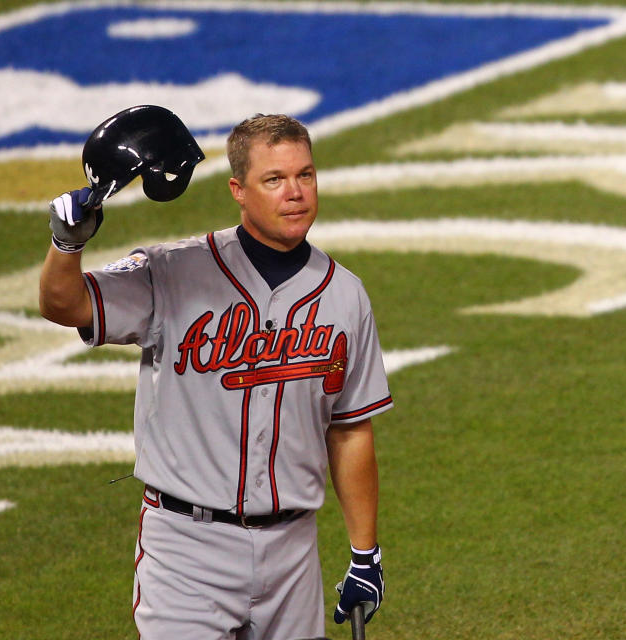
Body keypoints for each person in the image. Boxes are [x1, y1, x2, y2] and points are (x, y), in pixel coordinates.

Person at [39, 112, 392, 639]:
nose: (295, 193)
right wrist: (67, 245)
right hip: (188, 550)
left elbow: (350, 429)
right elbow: (63, 304)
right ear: (238, 190)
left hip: (292, 551)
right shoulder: (171, 271)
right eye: (274, 179)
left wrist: (365, 552)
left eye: (305, 175)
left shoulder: (345, 294)